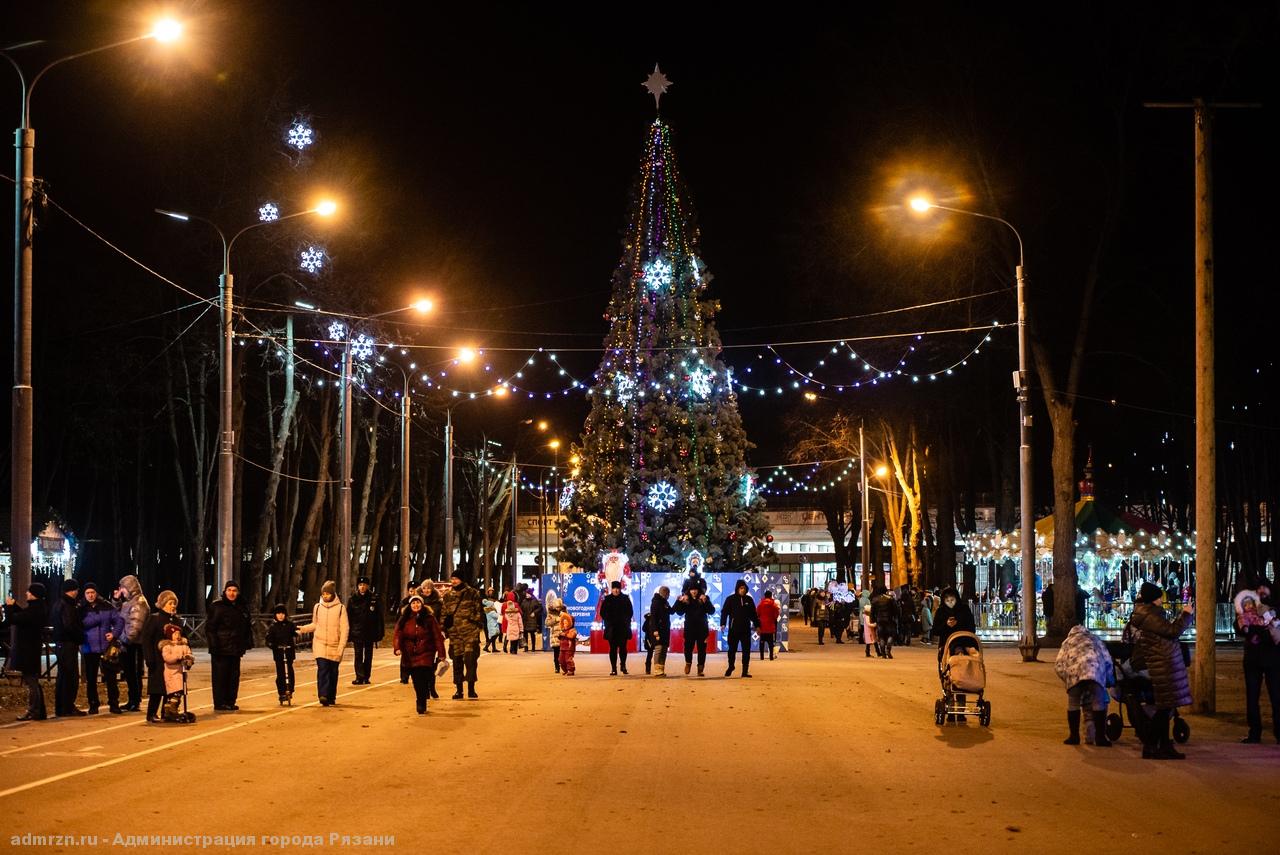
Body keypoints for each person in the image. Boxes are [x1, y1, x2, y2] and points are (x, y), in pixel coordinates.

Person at [1128, 582, 1192, 760]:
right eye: (1160, 597)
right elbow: (1173, 631)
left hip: (1163, 662)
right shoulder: (1150, 615)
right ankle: (1150, 744)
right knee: (1164, 708)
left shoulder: (1149, 614)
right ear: (1155, 598)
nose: (1162, 600)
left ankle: (1163, 745)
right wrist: (1186, 614)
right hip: (1162, 664)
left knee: (1166, 706)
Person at [1054, 622, 1114, 747]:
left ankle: (1074, 736)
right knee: (1098, 702)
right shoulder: (1095, 640)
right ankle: (1100, 737)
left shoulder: (1067, 642)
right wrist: (1108, 679)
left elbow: (1058, 665)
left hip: (1075, 674)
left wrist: (1067, 679)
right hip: (1095, 673)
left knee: (1073, 703)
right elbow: (1108, 660)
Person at [1238, 580, 1280, 744]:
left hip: (1273, 659)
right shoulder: (1248, 607)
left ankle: (1278, 732)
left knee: (1276, 697)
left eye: (1265, 589)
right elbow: (1240, 626)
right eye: (1259, 590)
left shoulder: (1275, 608)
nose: (1262, 593)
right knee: (1252, 697)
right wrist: (1245, 627)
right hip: (1253, 660)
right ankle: (1254, 732)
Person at [297, 580, 349, 707]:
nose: (325, 596)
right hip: (320, 644)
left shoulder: (341, 608)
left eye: (327, 594)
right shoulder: (317, 607)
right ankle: (323, 695)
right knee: (323, 670)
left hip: (334, 645)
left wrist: (341, 647)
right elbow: (315, 624)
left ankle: (331, 696)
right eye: (323, 594)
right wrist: (302, 629)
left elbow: (344, 629)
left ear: (332, 594)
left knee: (333, 672)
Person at [394, 594, 447, 715]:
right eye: (413, 603)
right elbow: (398, 634)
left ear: (422, 605)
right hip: (410, 653)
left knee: (424, 675)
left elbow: (437, 637)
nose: (415, 605)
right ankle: (421, 699)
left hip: (426, 652)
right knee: (417, 679)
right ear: (410, 605)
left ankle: (423, 699)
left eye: (418, 603)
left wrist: (441, 653)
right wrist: (397, 648)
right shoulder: (404, 618)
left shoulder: (429, 619)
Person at [206, 579, 253, 711]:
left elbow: (246, 627)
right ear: (225, 591)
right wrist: (214, 645)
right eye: (229, 590)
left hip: (236, 648)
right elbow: (210, 628)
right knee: (220, 677)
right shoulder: (217, 607)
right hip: (220, 648)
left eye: (234, 591)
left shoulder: (241, 607)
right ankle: (220, 703)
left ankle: (230, 701)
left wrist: (246, 643)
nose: (232, 593)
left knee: (233, 677)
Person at [4, 583, 49, 721]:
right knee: (33, 680)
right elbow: (23, 615)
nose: (26, 593)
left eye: (29, 592)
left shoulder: (35, 610)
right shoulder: (37, 608)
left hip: (29, 650)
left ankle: (34, 710)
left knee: (31, 681)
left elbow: (15, 619)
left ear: (34, 594)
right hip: (32, 648)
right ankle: (39, 711)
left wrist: (10, 607)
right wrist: (15, 605)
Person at [80, 582, 125, 714]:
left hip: (106, 647)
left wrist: (114, 634)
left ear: (96, 593)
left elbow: (119, 621)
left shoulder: (106, 606)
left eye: (92, 592)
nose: (90, 595)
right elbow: (79, 623)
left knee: (111, 677)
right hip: (89, 647)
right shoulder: (81, 608)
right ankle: (93, 704)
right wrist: (96, 620)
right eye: (87, 593)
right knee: (91, 678)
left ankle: (114, 704)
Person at [441, 573, 484, 699]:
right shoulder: (448, 595)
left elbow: (479, 611)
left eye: (456, 578)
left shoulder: (473, 593)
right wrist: (444, 628)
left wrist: (474, 622)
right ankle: (459, 690)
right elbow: (444, 613)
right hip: (455, 634)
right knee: (457, 661)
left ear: (462, 579)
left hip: (470, 633)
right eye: (452, 578)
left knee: (470, 661)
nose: (453, 581)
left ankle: (471, 688)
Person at [142, 590, 181, 722]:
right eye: (170, 603)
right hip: (157, 660)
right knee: (157, 688)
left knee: (170, 688)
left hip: (173, 661)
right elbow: (147, 640)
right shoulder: (155, 619)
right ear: (163, 604)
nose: (173, 606)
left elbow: (183, 638)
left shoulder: (176, 620)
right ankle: (151, 713)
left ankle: (167, 712)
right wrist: (149, 658)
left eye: (174, 603)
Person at [51, 578, 86, 717]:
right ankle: (68, 706)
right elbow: (69, 625)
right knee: (70, 677)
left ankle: (61, 707)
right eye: (77, 590)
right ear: (73, 591)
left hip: (61, 643)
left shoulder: (58, 603)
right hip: (68, 643)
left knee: (62, 676)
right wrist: (80, 636)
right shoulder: (68, 605)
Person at [115, 575, 149, 712]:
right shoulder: (130, 602)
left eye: (123, 588)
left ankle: (135, 700)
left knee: (133, 673)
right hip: (129, 642)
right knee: (130, 673)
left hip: (133, 644)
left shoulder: (138, 603)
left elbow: (135, 626)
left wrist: (125, 639)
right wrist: (116, 600)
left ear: (129, 588)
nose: (121, 591)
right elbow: (118, 614)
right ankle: (133, 700)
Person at [347, 576, 384, 685]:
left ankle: (366, 676)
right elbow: (349, 616)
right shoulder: (353, 599)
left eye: (364, 585)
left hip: (370, 632)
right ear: (357, 586)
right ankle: (359, 676)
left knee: (368, 655)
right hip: (357, 632)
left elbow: (379, 617)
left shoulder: (374, 599)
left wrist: (379, 632)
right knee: (358, 655)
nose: (362, 587)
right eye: (360, 585)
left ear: (367, 586)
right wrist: (349, 633)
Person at [721, 579, 759, 678]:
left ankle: (745, 671)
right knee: (731, 650)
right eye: (741, 588)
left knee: (746, 651)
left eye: (744, 588)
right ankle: (731, 666)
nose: (742, 590)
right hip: (734, 630)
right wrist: (723, 624)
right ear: (737, 589)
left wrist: (757, 625)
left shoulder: (749, 600)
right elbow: (724, 612)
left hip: (745, 630)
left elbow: (753, 614)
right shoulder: (730, 599)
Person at [674, 586, 715, 676]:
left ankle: (700, 669)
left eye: (695, 589)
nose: (694, 591)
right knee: (688, 648)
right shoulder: (686, 599)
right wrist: (679, 601)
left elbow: (712, 611)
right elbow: (679, 612)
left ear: (698, 590)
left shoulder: (704, 598)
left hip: (702, 629)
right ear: (689, 591)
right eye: (692, 590)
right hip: (689, 629)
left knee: (702, 650)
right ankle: (688, 663)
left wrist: (705, 601)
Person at [158, 623, 195, 721]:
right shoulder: (167, 647)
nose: (177, 636)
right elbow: (168, 658)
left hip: (181, 673)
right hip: (171, 673)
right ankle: (171, 710)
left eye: (179, 634)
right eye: (175, 634)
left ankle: (169, 711)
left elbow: (189, 654)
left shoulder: (184, 646)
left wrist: (189, 660)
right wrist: (179, 657)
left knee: (180, 692)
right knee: (176, 693)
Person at [600, 580, 634, 675]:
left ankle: (623, 665)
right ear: (612, 589)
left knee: (623, 648)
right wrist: (609, 621)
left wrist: (625, 620)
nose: (616, 590)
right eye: (614, 588)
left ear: (620, 589)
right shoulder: (607, 599)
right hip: (612, 628)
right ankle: (613, 668)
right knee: (613, 649)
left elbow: (630, 612)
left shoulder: (625, 598)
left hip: (623, 628)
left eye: (618, 588)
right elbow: (602, 613)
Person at [266, 604, 298, 704]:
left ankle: (290, 689)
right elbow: (268, 640)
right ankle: (282, 692)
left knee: (289, 671)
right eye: (278, 613)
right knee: (280, 673)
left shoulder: (289, 625)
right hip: (278, 653)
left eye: (282, 613)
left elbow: (295, 632)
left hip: (288, 652)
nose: (280, 616)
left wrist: (296, 633)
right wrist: (272, 645)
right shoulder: (273, 627)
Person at [931, 586, 976, 654]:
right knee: (953, 648)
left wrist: (958, 624)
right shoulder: (940, 611)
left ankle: (964, 651)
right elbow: (935, 630)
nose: (950, 602)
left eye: (952, 600)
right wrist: (946, 624)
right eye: (947, 601)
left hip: (965, 641)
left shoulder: (964, 609)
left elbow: (972, 628)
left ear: (956, 598)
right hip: (947, 643)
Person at [646, 585, 671, 676]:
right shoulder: (656, 602)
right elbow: (653, 618)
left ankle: (661, 669)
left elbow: (671, 611)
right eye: (666, 593)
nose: (667, 595)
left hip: (665, 630)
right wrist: (655, 630)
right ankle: (657, 670)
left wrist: (678, 601)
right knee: (658, 649)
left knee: (664, 649)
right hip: (658, 630)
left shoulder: (665, 603)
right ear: (662, 593)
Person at [871, 587, 899, 659]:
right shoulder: (890, 599)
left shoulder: (875, 600)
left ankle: (883, 653)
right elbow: (896, 610)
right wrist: (895, 618)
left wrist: (873, 620)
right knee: (891, 635)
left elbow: (872, 612)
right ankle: (888, 648)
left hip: (879, 620)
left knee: (881, 636)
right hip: (889, 620)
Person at [545, 591, 565, 672]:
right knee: (556, 653)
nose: (558, 609)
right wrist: (556, 619)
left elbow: (569, 621)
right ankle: (557, 667)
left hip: (563, 635)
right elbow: (547, 623)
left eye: (559, 607)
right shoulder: (550, 614)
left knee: (563, 653)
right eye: (557, 607)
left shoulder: (564, 613)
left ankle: (564, 666)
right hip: (555, 636)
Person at [557, 609, 578, 676]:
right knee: (561, 660)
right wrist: (559, 635)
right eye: (563, 623)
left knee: (568, 659)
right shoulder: (562, 630)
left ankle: (571, 670)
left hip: (569, 648)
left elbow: (572, 636)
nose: (565, 624)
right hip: (562, 648)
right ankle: (565, 670)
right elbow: (560, 637)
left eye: (566, 623)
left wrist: (565, 635)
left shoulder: (572, 630)